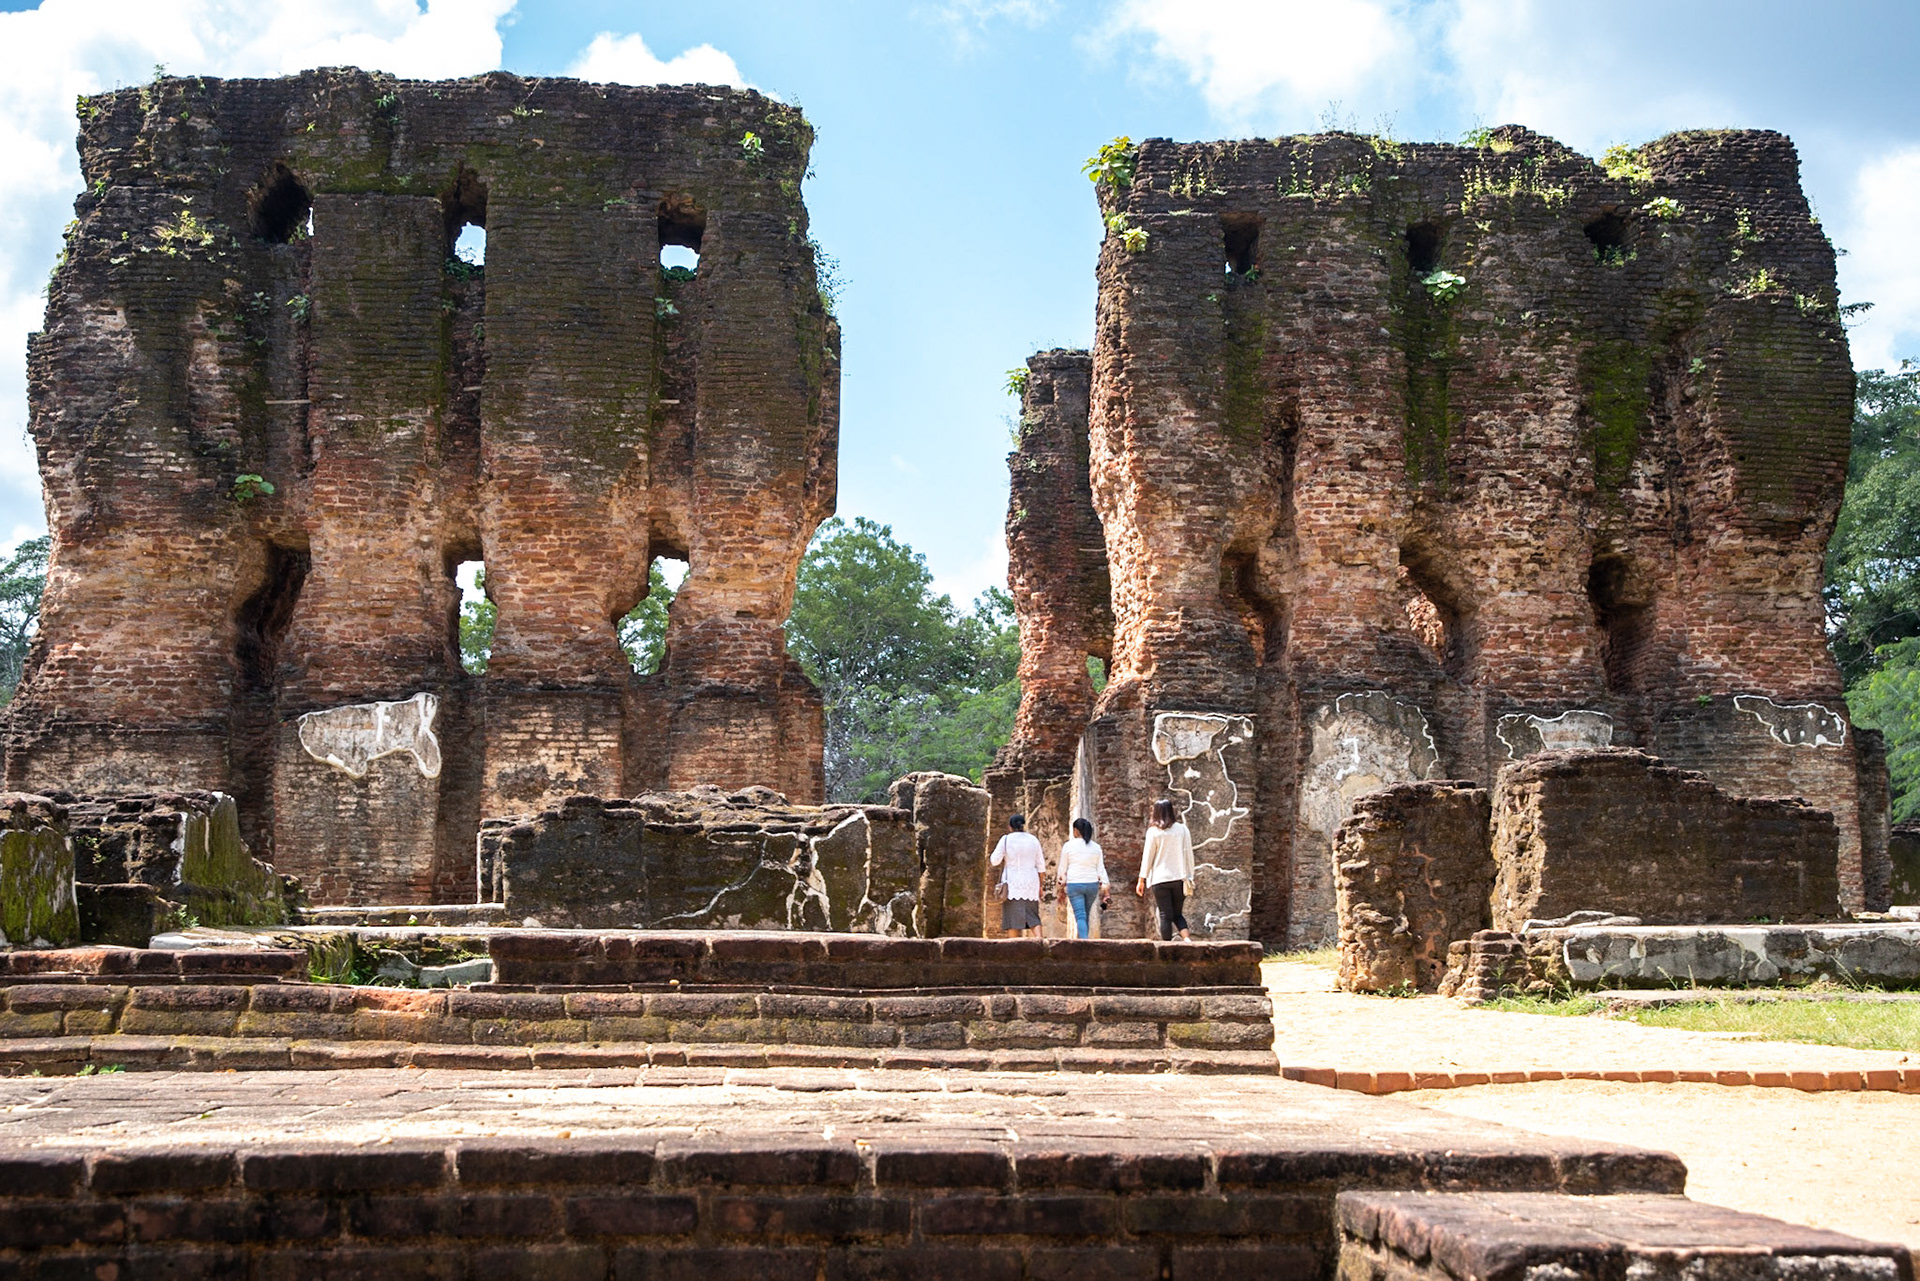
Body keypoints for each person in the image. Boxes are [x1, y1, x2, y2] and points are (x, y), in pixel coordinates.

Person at [1135, 798, 1194, 941]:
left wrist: (1141, 879)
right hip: (1180, 877)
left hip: (1160, 879)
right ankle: (1187, 939)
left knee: (1165, 915)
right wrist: (1190, 876)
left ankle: (1167, 946)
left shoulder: (1153, 832)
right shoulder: (1182, 829)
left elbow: (1148, 857)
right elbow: (1188, 853)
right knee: (1177, 914)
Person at [989, 812, 1046, 938]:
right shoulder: (1033, 840)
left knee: (1012, 921)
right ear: (1023, 826)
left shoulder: (1006, 839)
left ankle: (1012, 950)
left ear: (1010, 826)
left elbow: (994, 861)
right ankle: (1040, 943)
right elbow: (1041, 867)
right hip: (1031, 883)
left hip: (1012, 884)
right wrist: (1040, 886)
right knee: (1033, 917)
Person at [1055, 816, 1110, 939]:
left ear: (1075, 830)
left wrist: (1060, 887)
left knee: (1080, 915)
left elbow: (1062, 869)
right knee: (1085, 915)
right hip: (1092, 885)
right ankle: (1082, 941)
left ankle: (1084, 942)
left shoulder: (1068, 846)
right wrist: (1106, 888)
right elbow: (1101, 868)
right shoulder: (1096, 847)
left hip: (1075, 884)